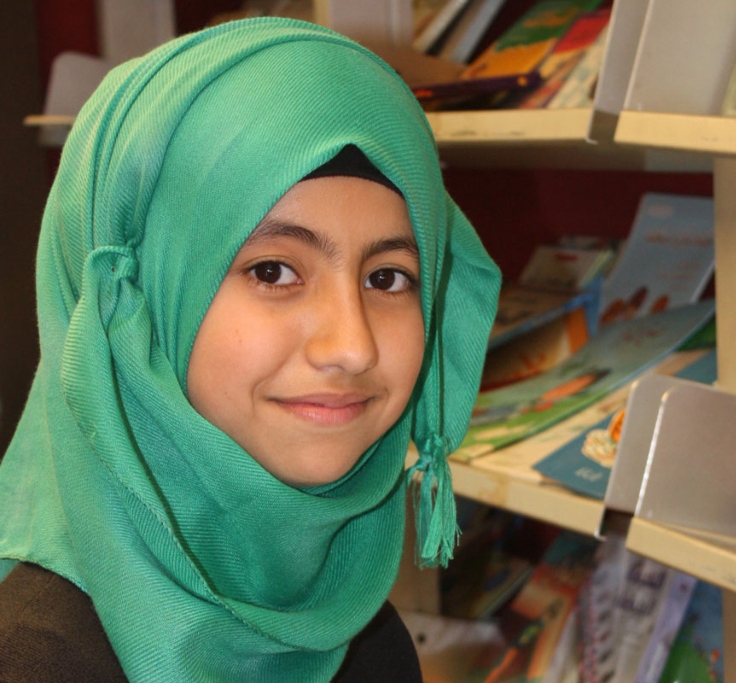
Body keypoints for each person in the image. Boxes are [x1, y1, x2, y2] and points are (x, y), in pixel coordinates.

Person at [0, 17, 500, 682]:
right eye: (272, 271)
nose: (351, 346)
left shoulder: (361, 637)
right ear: (133, 301)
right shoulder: (41, 659)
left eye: (387, 278)